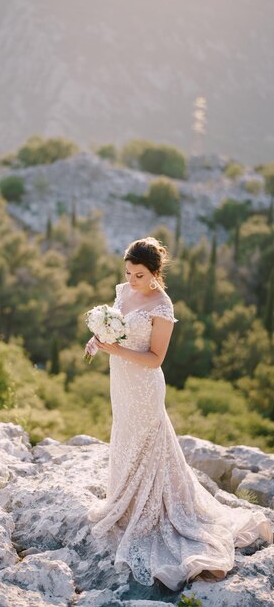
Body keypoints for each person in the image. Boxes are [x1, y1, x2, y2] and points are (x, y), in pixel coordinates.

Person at [85, 236, 273, 591]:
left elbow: (156, 359)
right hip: (121, 383)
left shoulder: (162, 306)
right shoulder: (124, 292)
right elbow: (117, 326)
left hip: (144, 385)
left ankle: (157, 512)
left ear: (155, 273)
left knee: (147, 444)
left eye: (139, 274)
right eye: (128, 272)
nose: (132, 280)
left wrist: (115, 350)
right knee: (124, 438)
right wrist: (98, 339)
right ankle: (124, 502)